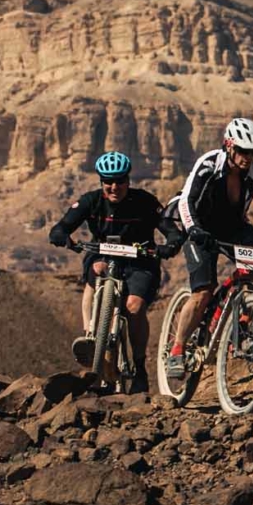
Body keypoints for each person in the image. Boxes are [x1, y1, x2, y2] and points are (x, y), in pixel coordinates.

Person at [164, 117, 253, 383]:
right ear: (230, 146)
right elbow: (187, 202)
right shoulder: (208, 163)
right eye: (243, 151)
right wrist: (194, 230)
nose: (248, 158)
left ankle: (243, 322)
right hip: (200, 226)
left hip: (233, 227)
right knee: (203, 293)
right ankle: (177, 348)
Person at [48, 151, 183, 388]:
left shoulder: (145, 202)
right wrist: (62, 237)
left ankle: (139, 366)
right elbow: (61, 227)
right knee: (97, 269)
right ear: (101, 182)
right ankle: (91, 335)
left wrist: (170, 245)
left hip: (140, 261)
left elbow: (170, 230)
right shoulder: (91, 201)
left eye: (120, 181)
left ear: (128, 181)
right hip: (103, 255)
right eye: (108, 181)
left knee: (134, 307)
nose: (114, 186)